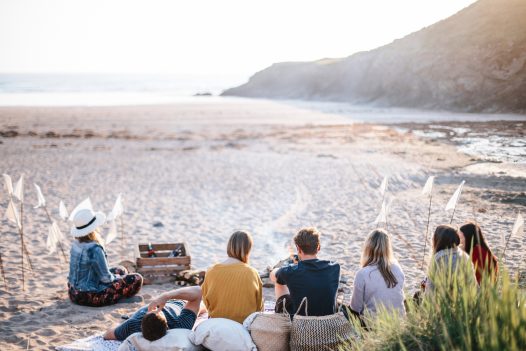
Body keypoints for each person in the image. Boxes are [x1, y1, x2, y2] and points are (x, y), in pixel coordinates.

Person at [68, 208, 143, 307]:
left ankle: (118, 292)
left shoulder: (75, 244)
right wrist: (118, 278)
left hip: (73, 293)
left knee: (120, 269)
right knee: (137, 278)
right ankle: (119, 298)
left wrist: (118, 276)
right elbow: (106, 278)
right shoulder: (95, 249)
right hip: (89, 297)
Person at [270, 227, 340, 316]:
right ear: (318, 247)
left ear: (298, 249)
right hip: (327, 321)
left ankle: (282, 316)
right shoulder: (335, 267)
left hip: (300, 324)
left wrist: (278, 269)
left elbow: (272, 276)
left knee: (279, 281)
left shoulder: (290, 271)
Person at [201, 231, 263, 323]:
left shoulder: (211, 271)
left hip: (217, 323)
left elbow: (206, 302)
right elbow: (259, 307)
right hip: (244, 326)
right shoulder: (252, 272)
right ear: (248, 249)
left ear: (229, 247)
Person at [103, 286, 202, 342]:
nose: (154, 308)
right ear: (166, 325)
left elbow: (107, 334)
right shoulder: (180, 326)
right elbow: (198, 291)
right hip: (180, 303)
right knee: (201, 308)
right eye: (157, 310)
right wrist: (166, 296)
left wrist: (119, 326)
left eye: (150, 311)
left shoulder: (133, 325)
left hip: (179, 302)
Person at [349, 229, 405, 318]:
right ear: (388, 249)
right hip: (399, 325)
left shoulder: (362, 274)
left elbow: (355, 309)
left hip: (373, 327)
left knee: (344, 309)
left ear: (368, 248)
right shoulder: (397, 268)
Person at [425, 224, 477, 293]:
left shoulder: (438, 259)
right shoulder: (465, 257)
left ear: (437, 241)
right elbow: (474, 286)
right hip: (466, 301)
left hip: (444, 302)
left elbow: (430, 293)